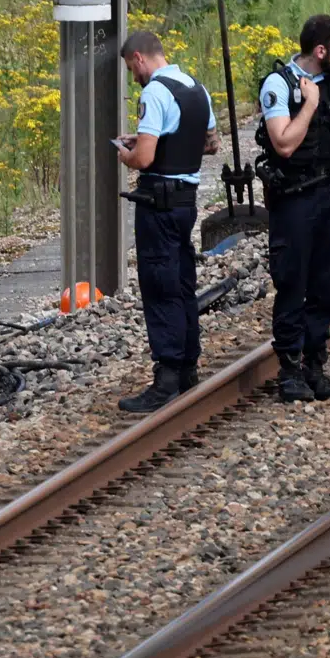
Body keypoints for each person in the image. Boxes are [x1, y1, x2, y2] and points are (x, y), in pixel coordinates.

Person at [255, 14, 330, 402]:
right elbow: (284, 143)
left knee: (325, 285)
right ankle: (289, 371)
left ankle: (314, 365)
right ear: (320, 51)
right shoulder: (280, 85)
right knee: (292, 282)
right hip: (294, 200)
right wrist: (309, 105)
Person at [115, 30, 219, 413]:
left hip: (157, 203)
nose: (133, 77)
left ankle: (167, 376)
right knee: (181, 281)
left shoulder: (155, 93)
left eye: (131, 69)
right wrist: (151, 139)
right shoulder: (197, 88)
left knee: (159, 284)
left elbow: (143, 159)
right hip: (186, 202)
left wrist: (126, 153)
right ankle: (189, 365)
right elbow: (211, 144)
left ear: (140, 58)